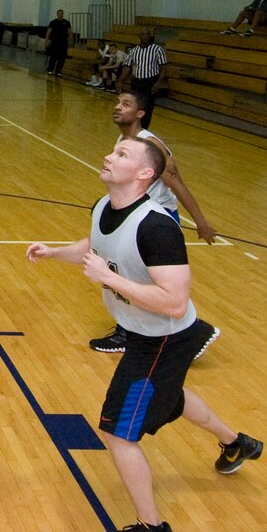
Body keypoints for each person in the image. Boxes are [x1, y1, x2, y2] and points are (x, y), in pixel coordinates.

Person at [26, 137, 262, 532]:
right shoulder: (104, 206)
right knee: (171, 399)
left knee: (118, 432)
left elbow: (174, 300)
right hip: (143, 332)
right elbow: (96, 248)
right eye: (112, 151)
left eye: (122, 155)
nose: (108, 155)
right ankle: (235, 443)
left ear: (144, 174)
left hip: (161, 339)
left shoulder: (157, 227)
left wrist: (109, 279)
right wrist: (54, 252)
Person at [90, 90, 220, 355]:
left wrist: (200, 222)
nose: (117, 107)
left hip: (153, 220)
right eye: (117, 102)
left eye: (126, 104)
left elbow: (176, 182)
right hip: (135, 218)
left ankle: (139, 334)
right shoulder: (127, 140)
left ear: (140, 113)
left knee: (142, 279)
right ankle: (153, 330)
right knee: (135, 276)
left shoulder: (150, 145)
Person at [115, 28, 167, 105]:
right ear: (139, 36)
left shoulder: (158, 49)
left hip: (150, 81)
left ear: (150, 36)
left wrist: (158, 82)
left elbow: (163, 67)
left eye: (148, 34)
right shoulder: (133, 50)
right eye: (143, 34)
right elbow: (127, 67)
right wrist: (120, 81)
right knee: (135, 105)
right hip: (136, 81)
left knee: (147, 106)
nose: (145, 36)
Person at [45, 9, 72, 77]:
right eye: (59, 13)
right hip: (55, 43)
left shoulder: (66, 22)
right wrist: (47, 40)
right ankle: (50, 69)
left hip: (63, 43)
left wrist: (70, 39)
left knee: (62, 58)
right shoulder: (53, 22)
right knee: (53, 58)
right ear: (57, 14)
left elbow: (69, 32)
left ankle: (58, 71)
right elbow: (49, 31)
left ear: (63, 14)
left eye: (61, 13)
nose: (60, 14)